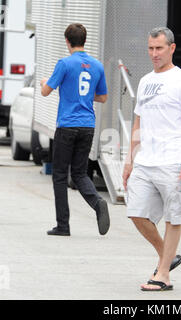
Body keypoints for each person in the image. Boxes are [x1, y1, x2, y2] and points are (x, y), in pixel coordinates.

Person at [122, 27, 181, 291]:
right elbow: (137, 124)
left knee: (173, 217)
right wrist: (130, 160)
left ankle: (163, 274)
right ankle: (167, 255)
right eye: (151, 48)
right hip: (145, 160)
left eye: (159, 48)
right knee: (136, 213)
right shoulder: (145, 81)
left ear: (172, 48)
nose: (154, 54)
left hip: (173, 161)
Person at [40, 23, 110, 237]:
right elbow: (103, 97)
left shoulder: (65, 64)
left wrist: (45, 81)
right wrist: (86, 97)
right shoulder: (97, 66)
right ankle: (98, 203)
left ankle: (63, 226)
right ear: (85, 40)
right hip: (87, 125)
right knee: (79, 173)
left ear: (67, 41)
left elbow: (45, 91)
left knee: (60, 175)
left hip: (68, 125)